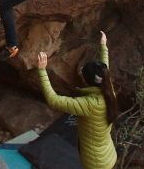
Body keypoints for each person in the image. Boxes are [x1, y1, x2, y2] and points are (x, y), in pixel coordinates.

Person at [36, 31, 118, 169]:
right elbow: (105, 70)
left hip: (95, 163)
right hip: (108, 155)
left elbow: (53, 100)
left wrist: (42, 71)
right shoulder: (109, 92)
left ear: (86, 81)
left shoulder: (89, 104)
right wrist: (103, 46)